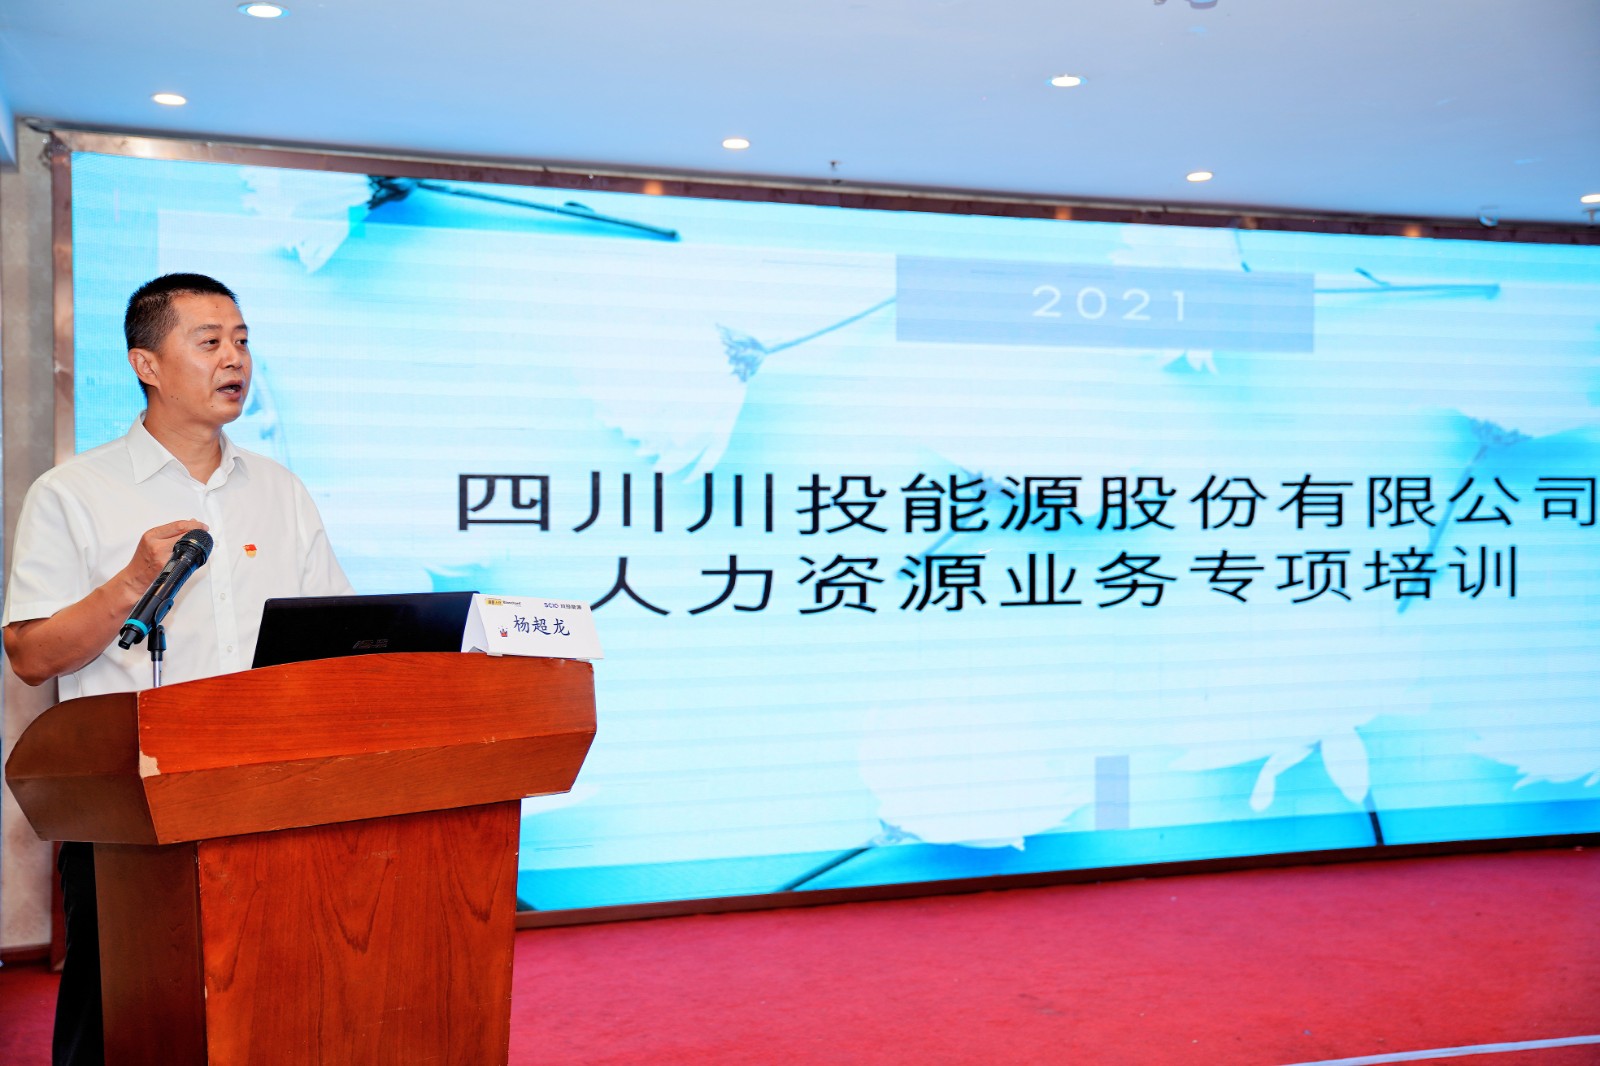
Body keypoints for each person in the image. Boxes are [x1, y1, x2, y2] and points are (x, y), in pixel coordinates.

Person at [2, 273, 355, 1066]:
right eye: (210, 342)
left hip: (269, 795)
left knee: (268, 1006)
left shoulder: (281, 490)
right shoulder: (73, 493)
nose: (235, 359)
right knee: (120, 1015)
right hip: (128, 806)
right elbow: (29, 656)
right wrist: (132, 580)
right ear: (146, 364)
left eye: (242, 341)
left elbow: (334, 637)